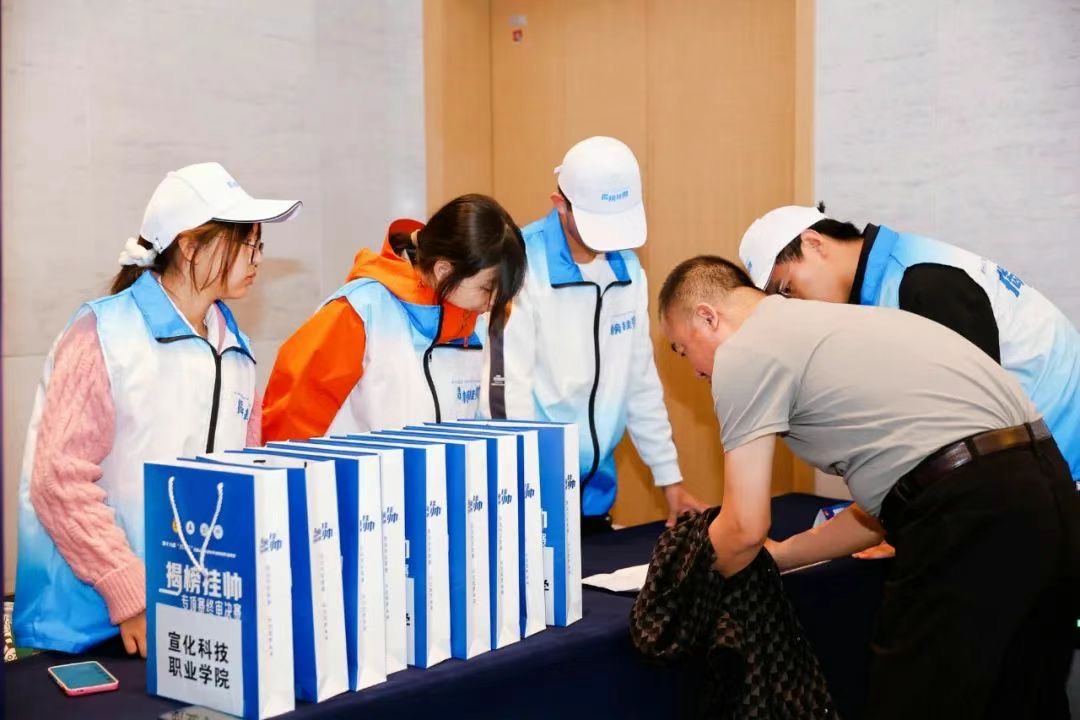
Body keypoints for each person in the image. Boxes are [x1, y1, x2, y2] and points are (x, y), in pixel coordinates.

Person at [657, 255, 1079, 719]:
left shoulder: (745, 351)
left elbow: (743, 527)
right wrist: (784, 555)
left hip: (970, 510)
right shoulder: (839, 322)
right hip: (1048, 490)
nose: (694, 371)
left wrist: (682, 581)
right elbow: (895, 502)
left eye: (682, 349)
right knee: (1023, 700)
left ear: (708, 317)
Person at [14, 162, 301, 655]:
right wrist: (129, 593)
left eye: (259, 245)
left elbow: (243, 478)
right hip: (82, 629)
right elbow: (58, 480)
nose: (256, 259)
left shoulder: (237, 350)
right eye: (245, 243)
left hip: (185, 618)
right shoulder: (104, 333)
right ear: (190, 246)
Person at [739, 204, 1080, 487]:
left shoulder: (920, 281)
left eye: (787, 289)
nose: (795, 305)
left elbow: (971, 422)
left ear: (814, 243)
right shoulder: (888, 278)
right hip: (1030, 460)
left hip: (1059, 468)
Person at [481, 136, 704, 530]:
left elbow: (638, 381)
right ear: (560, 204)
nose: (609, 241)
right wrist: (526, 494)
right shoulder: (522, 265)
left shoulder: (628, 271)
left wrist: (670, 479)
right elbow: (506, 394)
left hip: (594, 496)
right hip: (531, 493)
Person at [262, 194, 526, 440]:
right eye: (486, 289)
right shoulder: (358, 312)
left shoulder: (471, 322)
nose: (494, 303)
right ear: (444, 271)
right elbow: (290, 424)